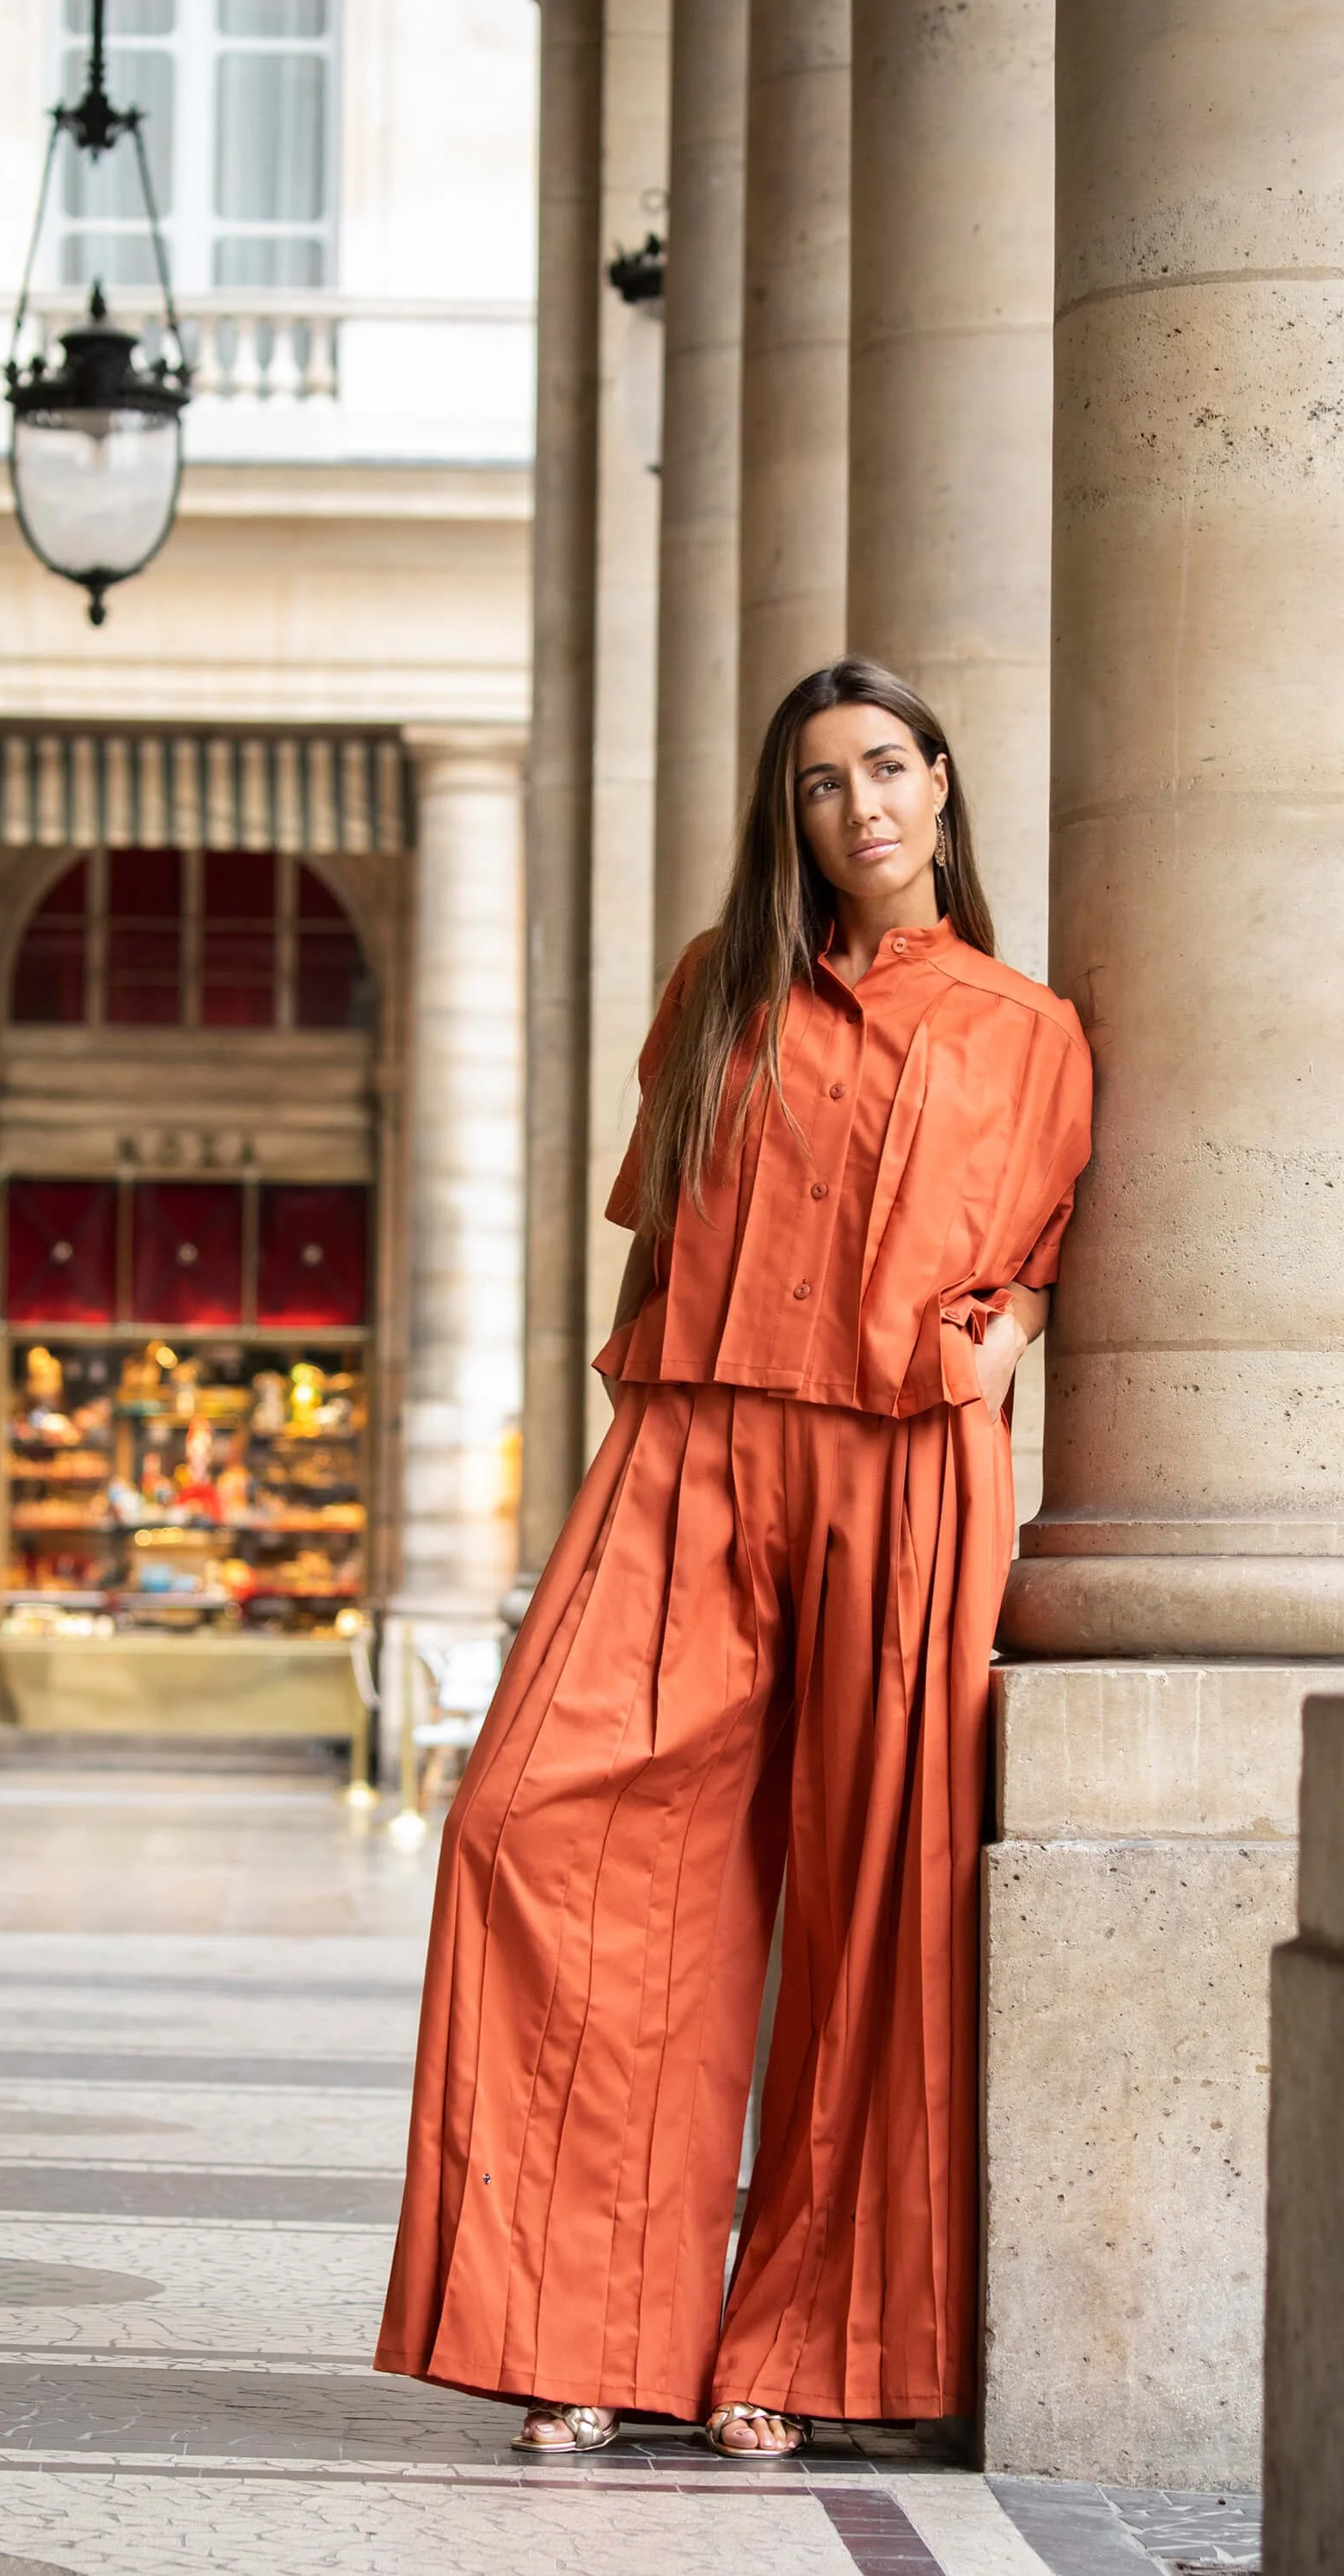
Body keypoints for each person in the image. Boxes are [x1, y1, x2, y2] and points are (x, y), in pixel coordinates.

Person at [376, 657, 1092, 2457]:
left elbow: (1038, 1247)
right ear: (787, 819)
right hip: (687, 1447)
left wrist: (1011, 1329)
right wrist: (625, 1428)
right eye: (817, 784)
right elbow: (655, 1239)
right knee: (540, 1824)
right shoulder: (720, 992)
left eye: (883, 769)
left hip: (900, 1466)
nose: (857, 807)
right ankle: (583, 2325)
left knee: (875, 1906)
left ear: (941, 783)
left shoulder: (1027, 1027)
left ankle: (797, 2349)